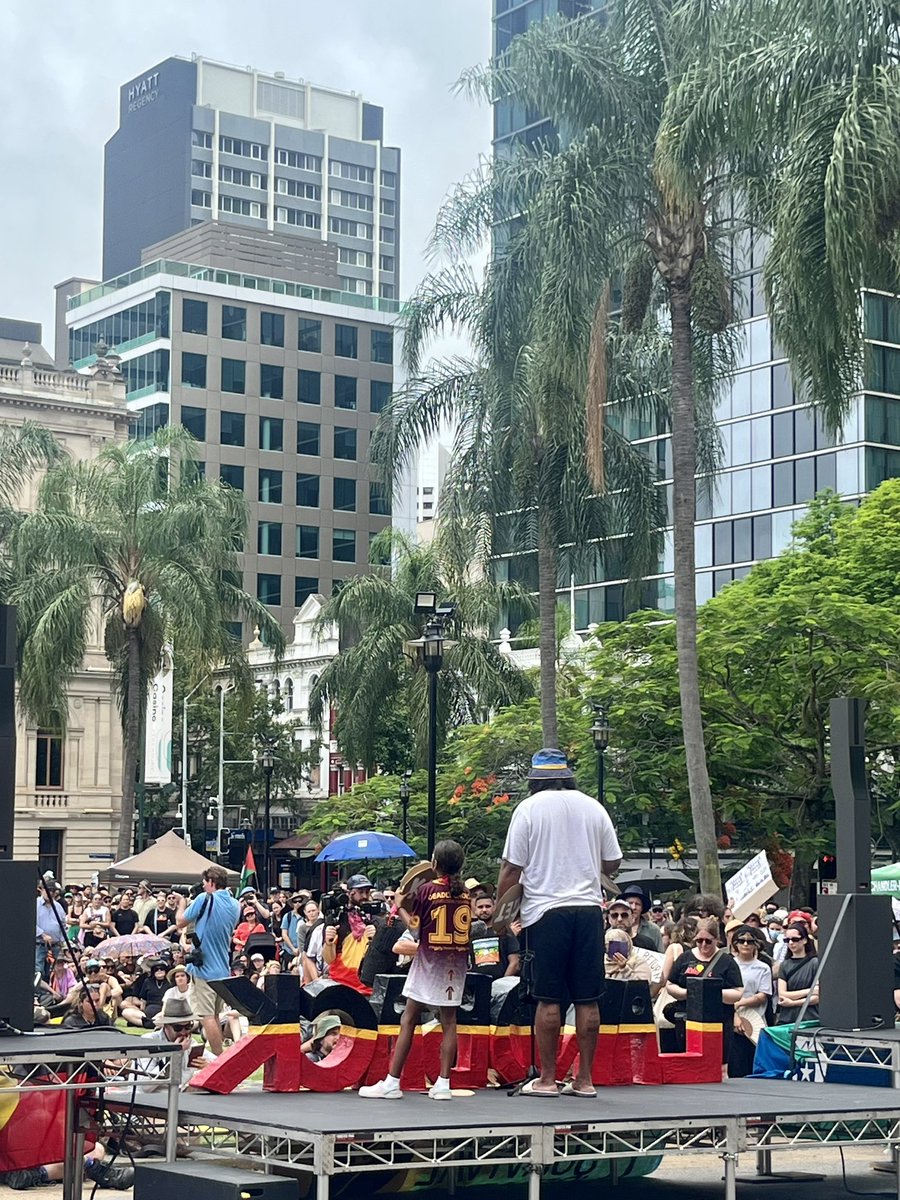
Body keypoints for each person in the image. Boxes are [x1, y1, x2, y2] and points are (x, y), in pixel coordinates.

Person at [496, 747, 622, 1098]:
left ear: (535, 781)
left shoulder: (528, 809)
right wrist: (583, 862)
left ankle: (547, 1079)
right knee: (588, 999)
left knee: (548, 998)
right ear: (568, 775)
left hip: (545, 912)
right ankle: (585, 1080)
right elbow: (612, 863)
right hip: (587, 910)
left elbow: (511, 869)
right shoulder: (593, 806)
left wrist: (502, 913)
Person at [360, 840, 472, 1101]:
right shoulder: (465, 893)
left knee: (409, 1018)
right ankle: (443, 1083)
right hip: (455, 965)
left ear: (435, 864)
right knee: (449, 1022)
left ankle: (392, 1081)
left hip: (429, 962)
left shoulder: (428, 890)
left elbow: (414, 927)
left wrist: (399, 905)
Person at [175, 864, 240, 1056]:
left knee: (207, 1016)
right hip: (222, 968)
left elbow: (180, 922)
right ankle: (220, 1056)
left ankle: (219, 1059)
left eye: (204, 883)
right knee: (216, 1015)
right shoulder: (236, 904)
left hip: (204, 969)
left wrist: (182, 904)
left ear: (211, 882)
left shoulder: (205, 898)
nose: (203, 887)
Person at [665, 916, 743, 1062]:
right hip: (688, 1019)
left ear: (717, 940)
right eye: (699, 941)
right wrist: (687, 993)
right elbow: (670, 984)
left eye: (708, 941)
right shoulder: (685, 958)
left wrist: (711, 993)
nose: (703, 945)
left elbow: (738, 992)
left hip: (719, 1020)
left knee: (719, 1063)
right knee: (688, 1061)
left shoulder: (727, 961)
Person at [728, 925, 773, 1077]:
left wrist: (740, 1003)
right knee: (735, 1064)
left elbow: (763, 995)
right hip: (732, 1019)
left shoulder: (763, 968)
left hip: (756, 1021)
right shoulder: (729, 964)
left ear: (756, 944)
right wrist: (735, 1015)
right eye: (741, 941)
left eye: (749, 941)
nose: (745, 944)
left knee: (755, 1064)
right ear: (735, 944)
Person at [322, 874, 379, 992]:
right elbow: (329, 959)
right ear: (349, 893)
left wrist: (376, 937)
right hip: (340, 984)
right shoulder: (336, 918)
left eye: (367, 892)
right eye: (360, 891)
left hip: (367, 986)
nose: (364, 896)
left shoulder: (375, 917)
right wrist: (328, 942)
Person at [470, 887, 521, 981]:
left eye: (488, 906)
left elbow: (515, 963)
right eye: (480, 907)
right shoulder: (469, 933)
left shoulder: (504, 930)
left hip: (502, 987)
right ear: (475, 910)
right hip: (476, 988)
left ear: (494, 908)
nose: (484, 910)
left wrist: (502, 983)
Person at [776, 922, 819, 1023]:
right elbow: (782, 994)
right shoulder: (784, 965)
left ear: (804, 940)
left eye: (795, 939)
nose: (791, 943)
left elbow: (817, 998)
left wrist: (792, 1002)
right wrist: (810, 991)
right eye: (787, 940)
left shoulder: (815, 962)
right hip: (787, 1019)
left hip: (810, 1018)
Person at [35, 887, 68, 980]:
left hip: (55, 945)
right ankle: (39, 993)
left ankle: (51, 991)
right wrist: (42, 934)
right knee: (38, 971)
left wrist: (62, 940)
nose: (50, 893)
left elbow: (63, 924)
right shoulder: (35, 903)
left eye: (53, 891)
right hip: (40, 944)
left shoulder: (58, 906)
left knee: (53, 971)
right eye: (48, 890)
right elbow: (30, 922)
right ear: (42, 890)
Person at [619, 885, 663, 951]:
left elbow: (660, 956)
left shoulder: (654, 930)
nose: (633, 907)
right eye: (630, 903)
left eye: (637, 904)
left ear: (642, 908)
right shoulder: (614, 929)